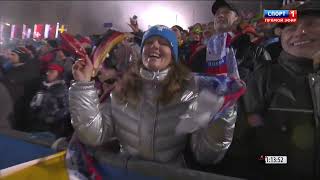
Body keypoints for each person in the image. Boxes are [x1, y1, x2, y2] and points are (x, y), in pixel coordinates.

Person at [68, 25, 245, 173]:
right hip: (127, 175)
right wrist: (83, 85)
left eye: (163, 43)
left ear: (173, 55)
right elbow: (92, 134)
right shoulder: (121, 90)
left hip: (170, 176)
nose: (155, 46)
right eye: (149, 42)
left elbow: (207, 155)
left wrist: (224, 111)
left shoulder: (190, 92)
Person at [243, 2, 320, 179]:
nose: (300, 32)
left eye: (310, 24)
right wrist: (281, 162)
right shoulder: (263, 79)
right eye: (290, 27)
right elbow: (247, 147)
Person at [1, 47, 41, 131]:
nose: (10, 57)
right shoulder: (12, 68)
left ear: (21, 57)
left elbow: (8, 84)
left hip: (17, 109)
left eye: (13, 55)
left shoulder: (27, 72)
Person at [29, 62, 71, 138]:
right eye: (48, 71)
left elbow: (66, 109)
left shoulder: (62, 90)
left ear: (59, 74)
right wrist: (34, 107)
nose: (47, 73)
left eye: (51, 71)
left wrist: (53, 119)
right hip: (37, 124)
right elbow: (36, 101)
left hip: (52, 129)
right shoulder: (43, 86)